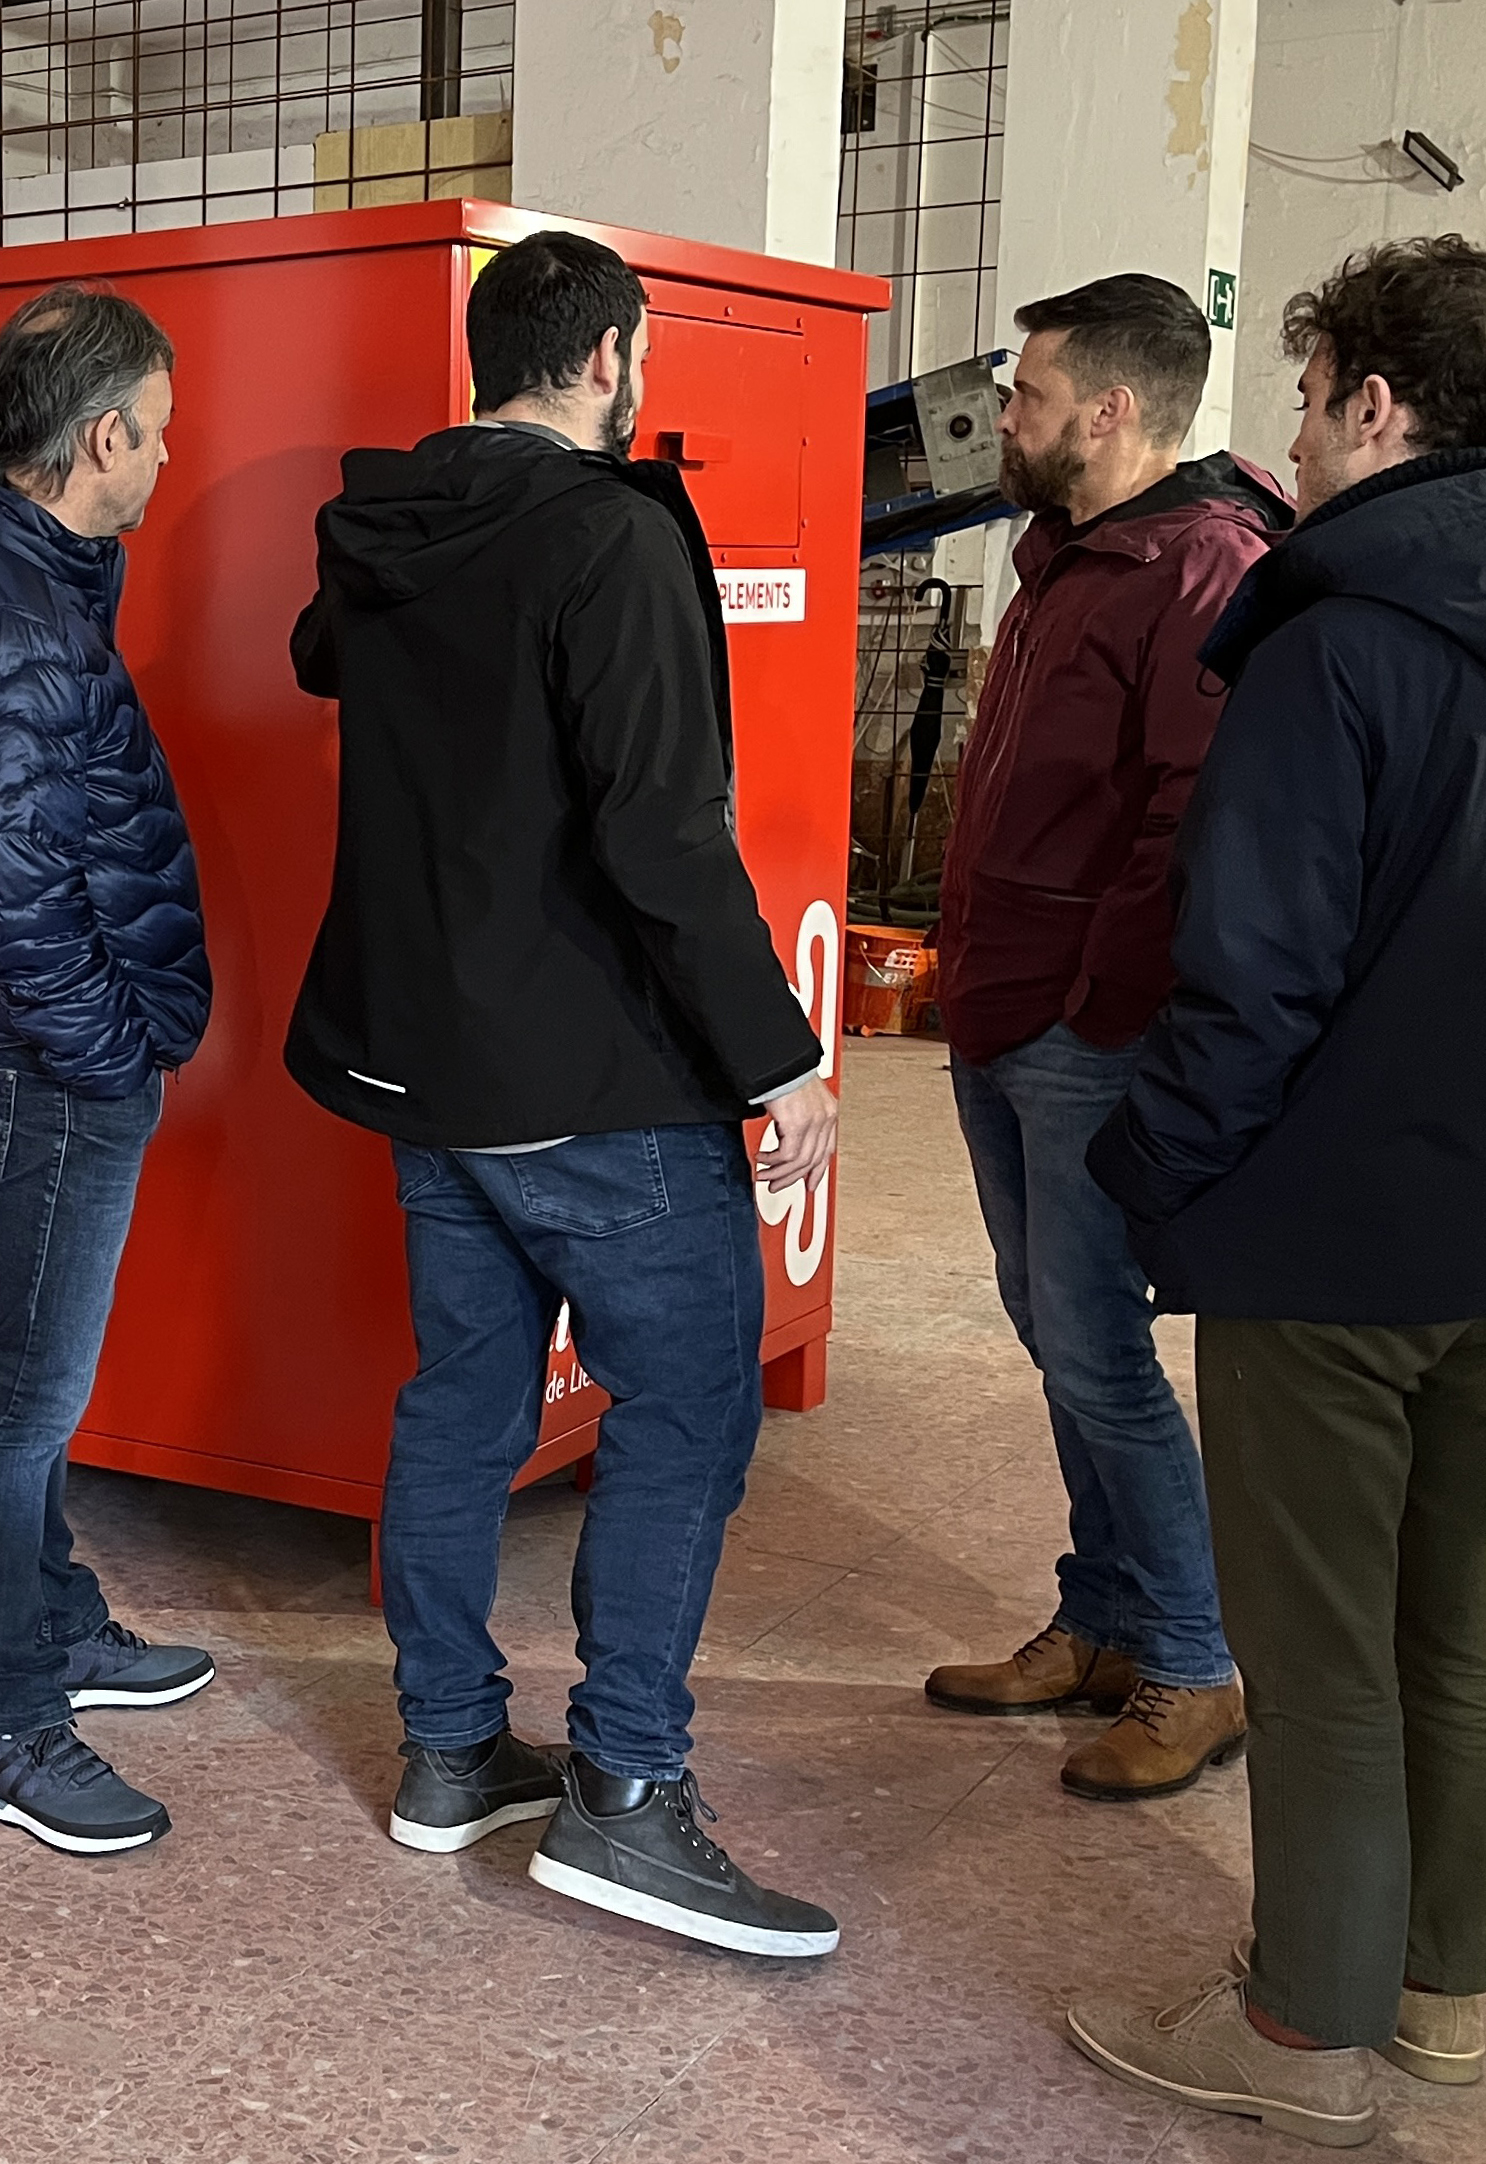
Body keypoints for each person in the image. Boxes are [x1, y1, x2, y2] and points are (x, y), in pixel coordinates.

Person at [1064, 237, 1486, 2146]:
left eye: (1310, 399)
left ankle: (1303, 2036)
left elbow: (1250, 977)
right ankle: (1438, 2007)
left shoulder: (1332, 644)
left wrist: (1145, 1172)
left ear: (1377, 407)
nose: (1293, 441)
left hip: (1320, 1235)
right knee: (1447, 1617)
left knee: (1316, 1650)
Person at [286, 230, 842, 1957]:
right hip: (594, 1078)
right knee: (688, 1409)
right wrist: (778, 1058)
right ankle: (625, 1796)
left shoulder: (385, 528)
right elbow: (663, 835)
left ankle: (452, 1749)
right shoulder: (608, 535)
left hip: (429, 1072)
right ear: (608, 357)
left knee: (464, 1397)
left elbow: (325, 663)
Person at [920, 275, 1290, 1801]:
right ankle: (1104, 1622)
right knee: (1053, 1330)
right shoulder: (1072, 551)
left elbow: (1187, 817)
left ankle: (1198, 1666)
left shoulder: (1201, 562)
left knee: (1097, 1345)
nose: (1005, 416)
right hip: (1002, 1008)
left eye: (1029, 392)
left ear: (1113, 410)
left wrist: (1096, 999)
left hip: (1078, 1026)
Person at [0, 283, 219, 1856]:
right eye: (157, 426)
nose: (168, 456)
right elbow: (13, 895)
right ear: (102, 435)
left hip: (30, 1054)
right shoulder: (5, 613)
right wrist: (113, 1061)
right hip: (36, 1067)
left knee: (38, 1379)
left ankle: (59, 1620)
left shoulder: (26, 577)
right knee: (22, 1395)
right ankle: (11, 1726)